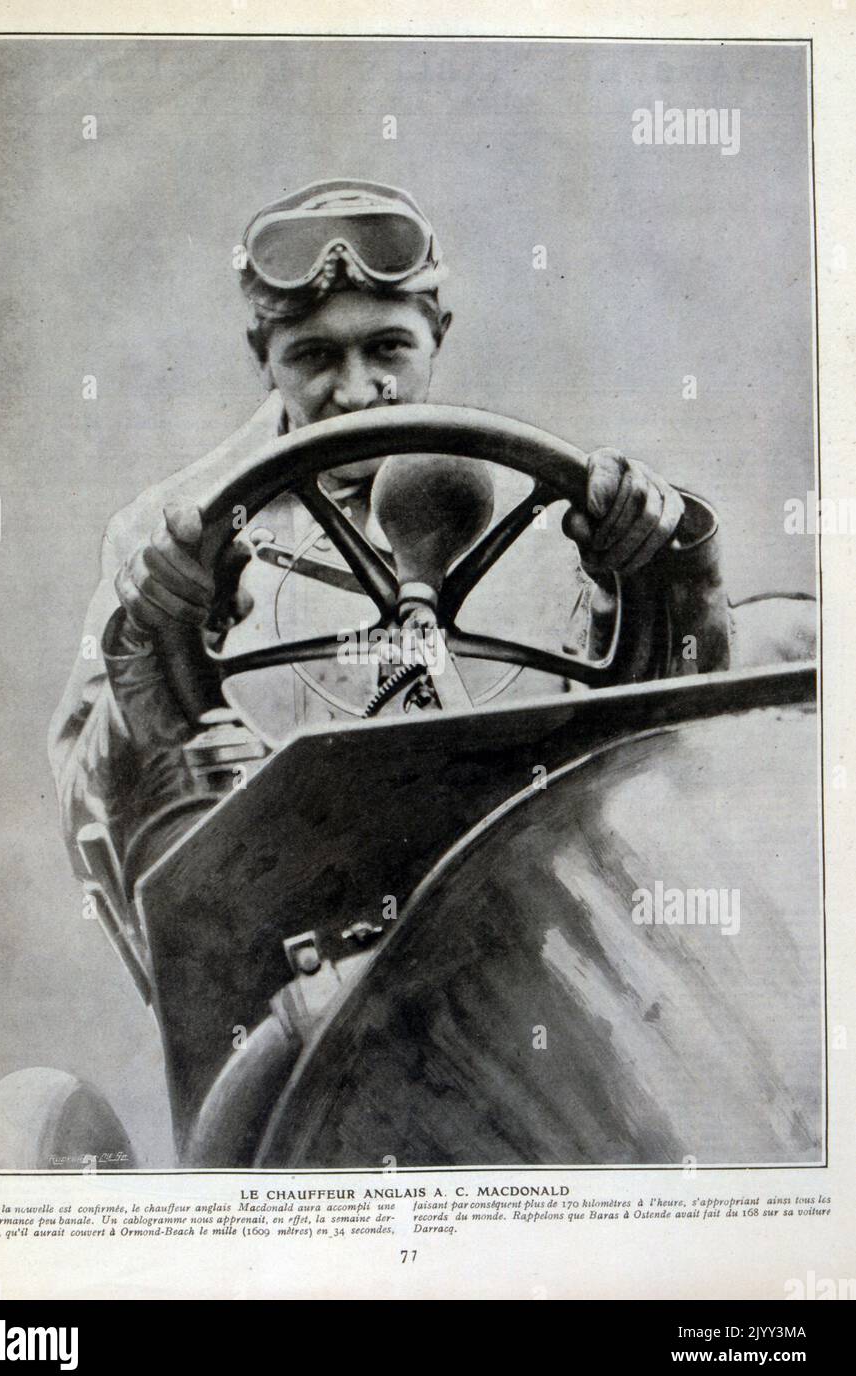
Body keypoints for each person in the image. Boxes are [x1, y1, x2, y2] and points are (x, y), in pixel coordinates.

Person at [48, 178, 811, 888]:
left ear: (437, 335)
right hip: (303, 938)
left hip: (528, 910)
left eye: (386, 348)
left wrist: (664, 573)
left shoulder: (544, 510)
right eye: (312, 356)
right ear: (262, 357)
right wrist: (151, 641)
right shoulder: (162, 536)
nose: (353, 392)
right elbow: (90, 818)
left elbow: (677, 742)